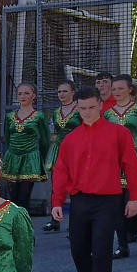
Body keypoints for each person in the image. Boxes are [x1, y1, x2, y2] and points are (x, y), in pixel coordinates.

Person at [51, 86, 137, 272]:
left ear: (101, 105)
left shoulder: (119, 134)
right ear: (77, 108)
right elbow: (60, 170)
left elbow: (131, 166)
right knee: (78, 251)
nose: (88, 112)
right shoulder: (70, 139)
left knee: (101, 253)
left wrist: (134, 198)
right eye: (82, 109)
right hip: (80, 201)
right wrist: (57, 201)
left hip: (108, 200)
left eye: (92, 107)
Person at [106, 74, 137, 258]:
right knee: (117, 205)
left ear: (130, 89)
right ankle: (122, 245)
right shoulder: (108, 113)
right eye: (114, 89)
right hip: (115, 162)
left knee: (133, 201)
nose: (116, 92)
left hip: (135, 158)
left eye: (120, 88)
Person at [2, 82, 49, 215]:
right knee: (13, 198)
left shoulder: (39, 116)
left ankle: (25, 229)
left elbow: (45, 141)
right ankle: (13, 228)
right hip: (13, 158)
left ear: (33, 96)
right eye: (20, 93)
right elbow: (7, 137)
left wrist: (40, 161)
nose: (23, 96)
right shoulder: (9, 117)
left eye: (27, 93)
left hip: (29, 159)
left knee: (24, 198)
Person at [41, 80, 79, 233]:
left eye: (64, 91)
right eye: (59, 92)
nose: (61, 94)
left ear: (73, 92)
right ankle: (55, 220)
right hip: (59, 149)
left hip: (76, 149)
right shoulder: (56, 112)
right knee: (57, 185)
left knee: (76, 186)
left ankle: (76, 224)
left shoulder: (79, 109)